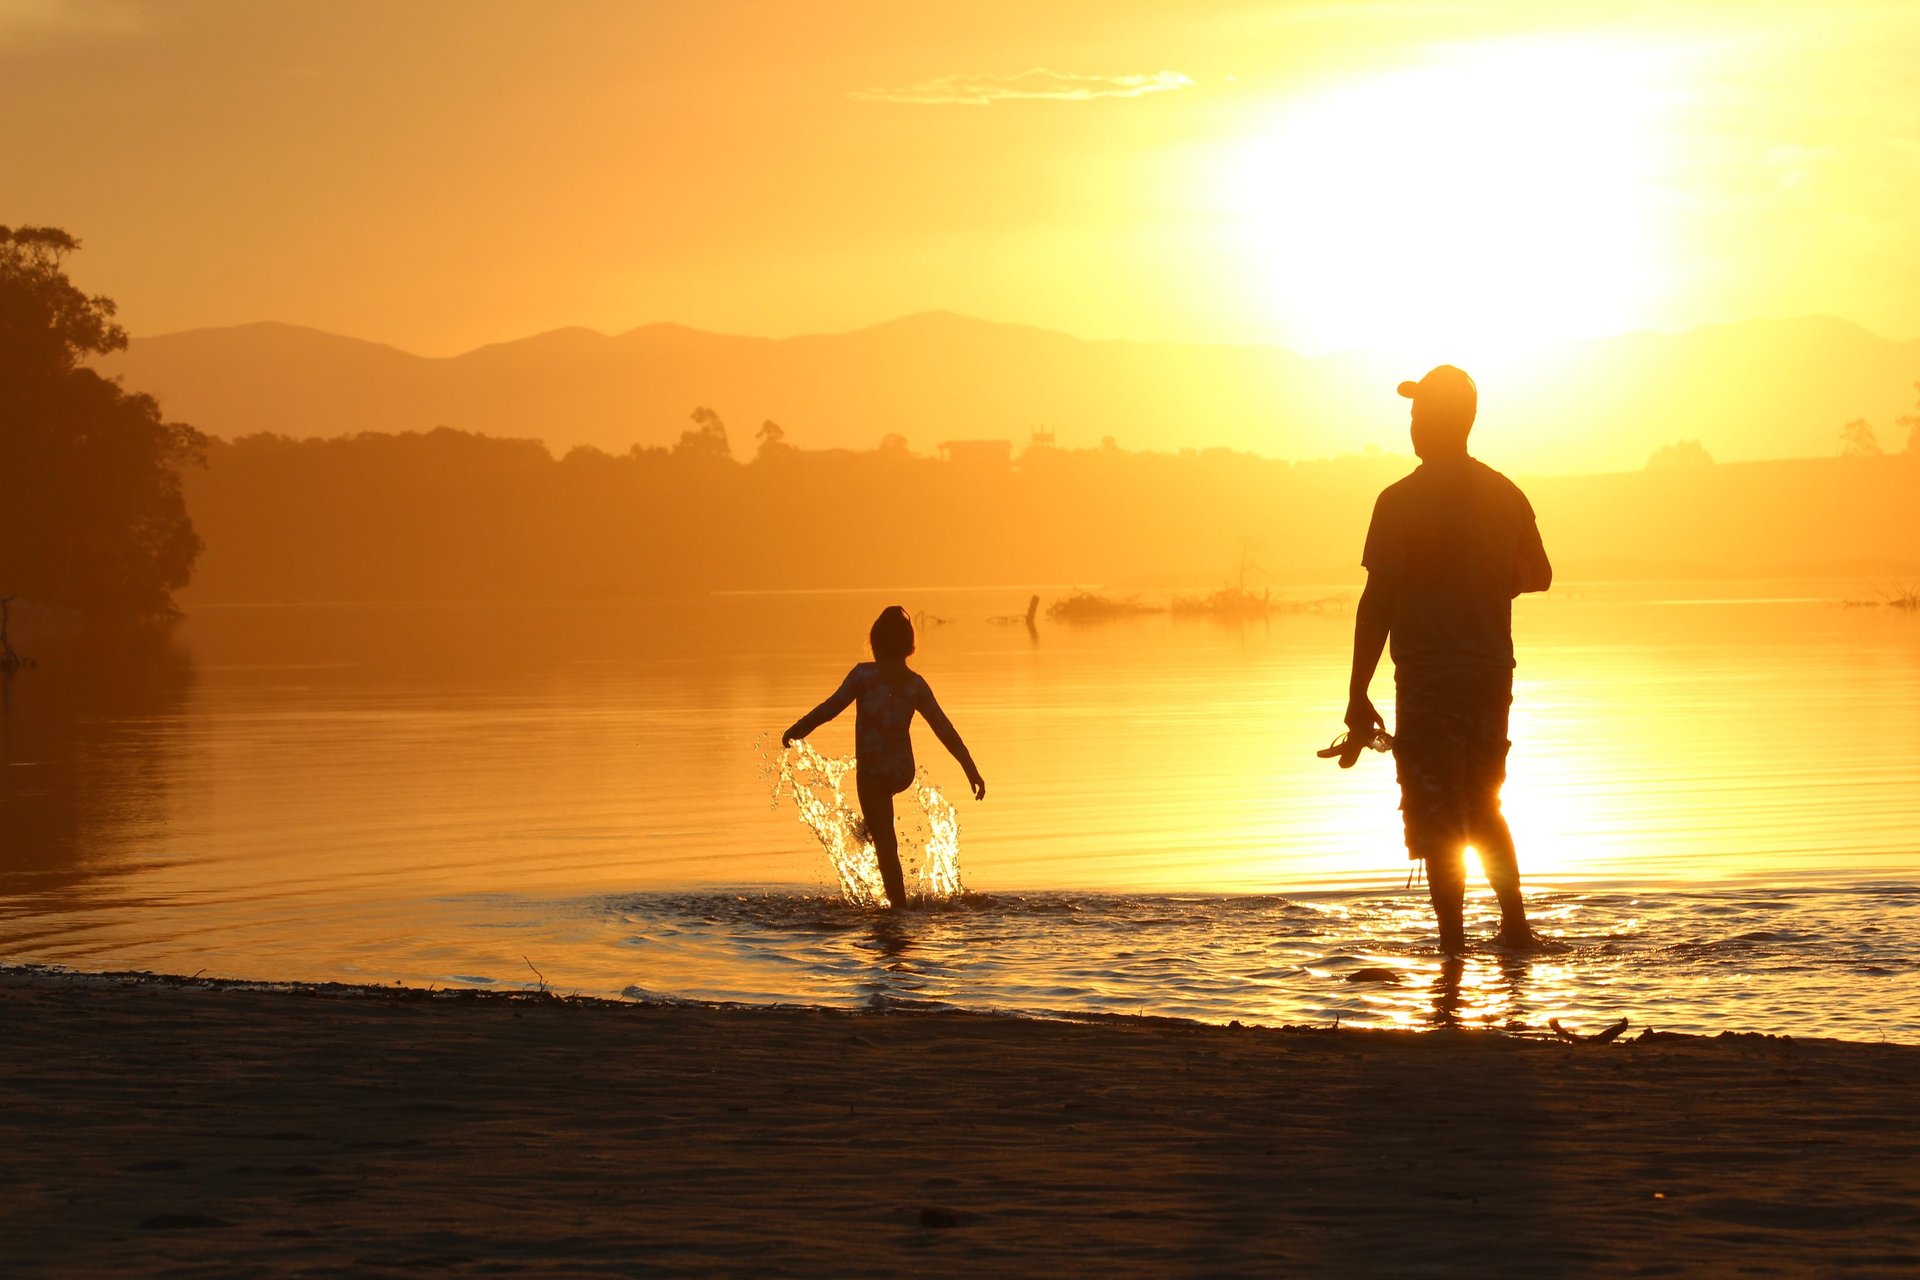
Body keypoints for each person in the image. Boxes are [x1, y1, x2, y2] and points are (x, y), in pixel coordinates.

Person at [1340, 365, 1553, 953]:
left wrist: (1358, 695)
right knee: (1484, 804)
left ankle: (1453, 949)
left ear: (1439, 422)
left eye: (1418, 414)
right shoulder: (1505, 493)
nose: (1411, 425)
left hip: (1430, 679)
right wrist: (1485, 579)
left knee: (1436, 812)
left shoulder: (1399, 501)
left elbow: (1376, 602)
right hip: (1489, 677)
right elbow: (1540, 574)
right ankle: (1514, 930)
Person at [782, 606, 985, 909]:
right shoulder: (915, 684)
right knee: (879, 826)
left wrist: (798, 729)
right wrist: (971, 770)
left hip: (873, 774)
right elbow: (945, 729)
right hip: (903, 770)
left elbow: (830, 708)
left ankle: (898, 911)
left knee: (886, 846)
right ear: (908, 646)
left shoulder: (863, 675)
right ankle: (869, 828)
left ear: (875, 644)